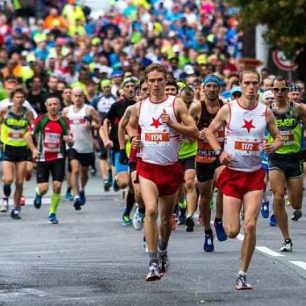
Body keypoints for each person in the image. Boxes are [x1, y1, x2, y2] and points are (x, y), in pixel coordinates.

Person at [205, 70, 282, 290]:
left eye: (254, 83)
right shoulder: (229, 109)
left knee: (250, 225)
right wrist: (220, 151)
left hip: (254, 175)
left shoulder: (265, 112)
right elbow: (209, 132)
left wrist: (273, 146)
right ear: (240, 84)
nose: (251, 87)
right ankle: (225, 217)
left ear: (259, 85)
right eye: (247, 83)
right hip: (232, 174)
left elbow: (278, 138)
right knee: (231, 231)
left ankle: (242, 274)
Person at [127, 63, 198, 281]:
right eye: (152, 80)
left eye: (160, 80)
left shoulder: (176, 104)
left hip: (170, 169)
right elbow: (130, 126)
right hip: (147, 167)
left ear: (166, 81)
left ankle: (163, 250)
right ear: (146, 83)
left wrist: (174, 126)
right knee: (150, 211)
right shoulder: (139, 107)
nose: (156, 84)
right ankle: (152, 262)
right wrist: (133, 138)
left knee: (166, 220)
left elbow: (194, 131)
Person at [268, 76, 306, 250]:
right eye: (276, 90)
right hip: (276, 158)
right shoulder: (266, 111)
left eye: (283, 90)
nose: (280, 93)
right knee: (277, 197)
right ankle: (287, 239)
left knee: (296, 202)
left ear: (287, 91)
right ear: (271, 91)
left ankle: (297, 209)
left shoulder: (298, 109)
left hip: (295, 158)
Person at [189, 74, 227, 251]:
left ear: (219, 88)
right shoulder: (197, 108)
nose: (212, 89)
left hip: (221, 155)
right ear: (203, 88)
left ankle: (219, 220)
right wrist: (198, 134)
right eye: (209, 86)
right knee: (205, 196)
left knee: (223, 186)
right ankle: (207, 231)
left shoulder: (226, 107)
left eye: (215, 86)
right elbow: (187, 130)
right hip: (203, 156)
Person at [25, 97, 73, 224]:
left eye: (55, 104)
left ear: (59, 106)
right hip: (42, 158)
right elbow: (27, 135)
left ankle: (52, 213)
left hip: (58, 157)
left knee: (57, 186)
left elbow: (71, 139)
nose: (53, 106)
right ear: (46, 107)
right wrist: (34, 149)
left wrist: (70, 141)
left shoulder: (64, 121)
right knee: (44, 188)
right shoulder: (41, 120)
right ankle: (38, 193)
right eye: (50, 104)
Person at [62, 87, 100, 210]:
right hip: (72, 145)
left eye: (80, 96)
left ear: (83, 97)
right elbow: (61, 126)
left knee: (84, 172)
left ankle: (82, 189)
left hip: (86, 146)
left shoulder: (89, 110)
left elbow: (99, 123)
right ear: (71, 97)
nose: (78, 98)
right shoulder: (66, 111)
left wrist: (92, 125)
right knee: (75, 169)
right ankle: (76, 195)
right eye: (75, 96)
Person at [0, 86, 34, 219]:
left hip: (22, 150)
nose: (19, 100)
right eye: (17, 97)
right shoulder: (4, 112)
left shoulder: (28, 113)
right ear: (12, 98)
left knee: (20, 182)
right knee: (8, 179)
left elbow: (33, 129)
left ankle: (16, 208)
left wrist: (34, 146)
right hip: (7, 148)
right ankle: (5, 194)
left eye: (22, 97)